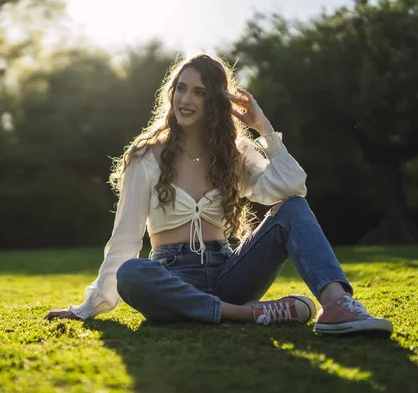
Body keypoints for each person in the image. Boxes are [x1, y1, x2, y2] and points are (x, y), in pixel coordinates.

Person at [44, 53, 393, 335]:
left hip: (229, 272)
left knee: (294, 209)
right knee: (132, 273)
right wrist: (89, 308)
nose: (186, 99)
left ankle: (336, 305)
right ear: (171, 94)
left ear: (216, 101)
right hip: (171, 277)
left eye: (199, 92)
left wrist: (263, 128)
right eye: (181, 89)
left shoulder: (236, 153)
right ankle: (249, 314)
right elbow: (124, 240)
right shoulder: (146, 156)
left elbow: (291, 188)